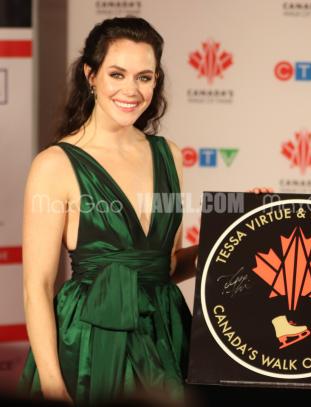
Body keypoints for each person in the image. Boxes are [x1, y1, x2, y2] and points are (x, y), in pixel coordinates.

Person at [19, 17, 198, 403]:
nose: (131, 90)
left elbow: (166, 267)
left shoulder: (170, 156)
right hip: (90, 345)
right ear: (91, 75)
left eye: (144, 77)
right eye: (117, 74)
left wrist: (239, 236)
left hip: (167, 337)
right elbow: (37, 287)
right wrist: (52, 386)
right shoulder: (56, 164)